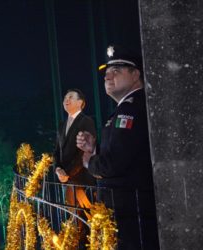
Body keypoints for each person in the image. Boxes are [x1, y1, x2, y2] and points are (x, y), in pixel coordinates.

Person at [76, 45, 159, 250]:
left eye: (116, 71)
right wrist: (94, 148)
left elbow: (114, 164)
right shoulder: (125, 109)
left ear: (135, 75)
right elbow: (124, 153)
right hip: (128, 212)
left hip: (133, 213)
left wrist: (89, 161)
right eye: (106, 73)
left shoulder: (131, 109)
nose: (107, 77)